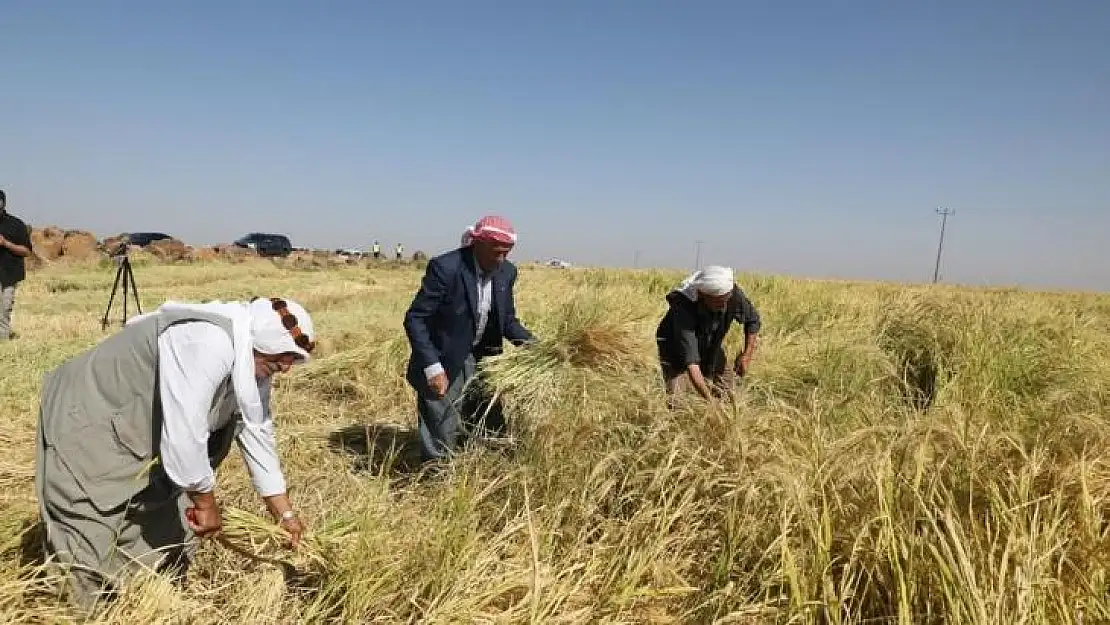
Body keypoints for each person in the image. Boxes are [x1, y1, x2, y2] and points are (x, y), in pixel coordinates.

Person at [34, 296, 316, 611]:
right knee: (87, 529)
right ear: (260, 340)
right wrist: (206, 503)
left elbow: (256, 431)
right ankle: (84, 612)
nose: (287, 368)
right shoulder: (206, 342)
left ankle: (135, 602)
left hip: (141, 430)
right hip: (89, 416)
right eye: (284, 356)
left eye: (294, 358)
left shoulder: (254, 363)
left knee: (169, 522)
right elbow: (185, 433)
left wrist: (284, 515)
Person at [403, 215, 536, 463]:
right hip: (444, 356)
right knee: (441, 427)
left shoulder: (506, 272)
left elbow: (507, 320)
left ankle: (485, 469)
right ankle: (437, 478)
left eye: (506, 253)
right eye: (496, 252)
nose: (501, 259)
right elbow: (416, 319)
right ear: (478, 244)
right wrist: (432, 368)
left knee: (488, 418)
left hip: (483, 357)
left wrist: (536, 347)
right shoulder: (447, 267)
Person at [654, 265, 761, 402]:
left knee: (730, 395)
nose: (724, 305)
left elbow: (752, 321)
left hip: (710, 343)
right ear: (702, 295)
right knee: (677, 402)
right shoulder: (683, 307)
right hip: (676, 348)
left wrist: (747, 355)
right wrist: (710, 402)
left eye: (726, 299)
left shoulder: (731, 294)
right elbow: (691, 363)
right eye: (718, 302)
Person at [0, 189, 33, 340]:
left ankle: (3, 340)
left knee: (5, 308)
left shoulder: (16, 225)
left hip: (9, 274)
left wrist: (6, 243)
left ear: (3, 204)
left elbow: (26, 251)